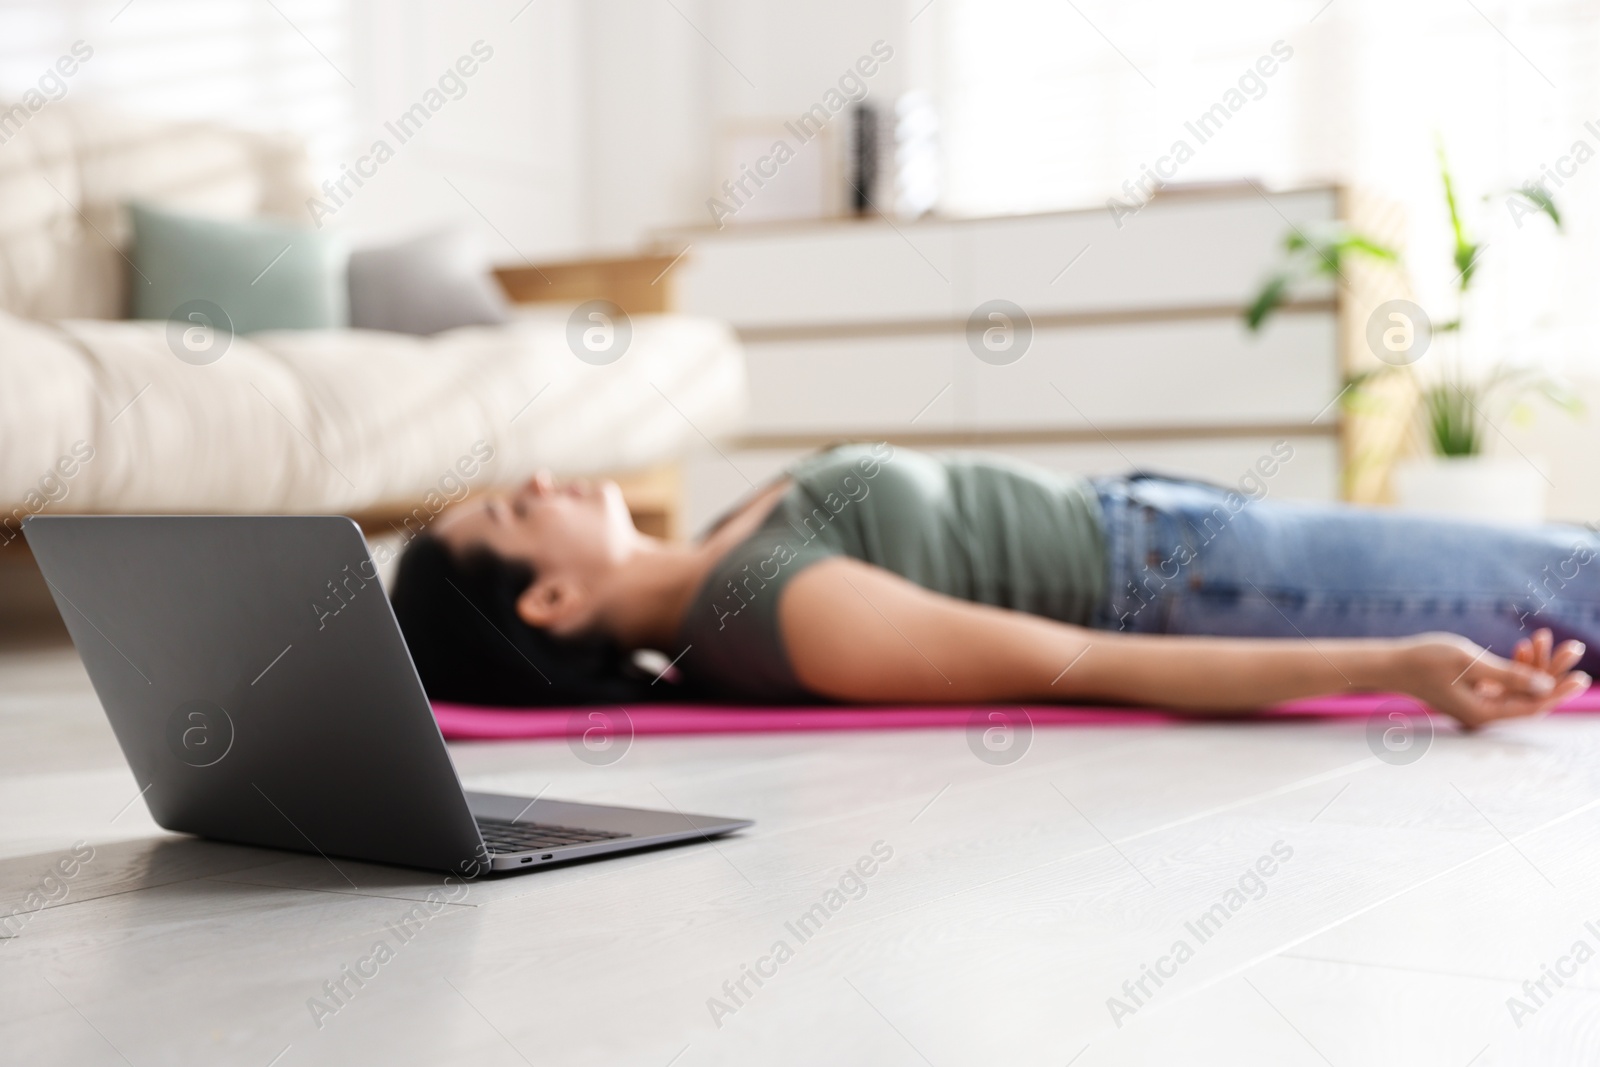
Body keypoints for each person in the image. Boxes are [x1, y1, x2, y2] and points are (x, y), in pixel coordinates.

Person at [390, 442, 1594, 728]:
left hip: (1164, 522)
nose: (538, 476)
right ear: (545, 602)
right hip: (1193, 580)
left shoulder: (722, 549)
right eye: (511, 510)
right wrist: (1388, 665)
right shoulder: (756, 604)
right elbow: (1080, 665)